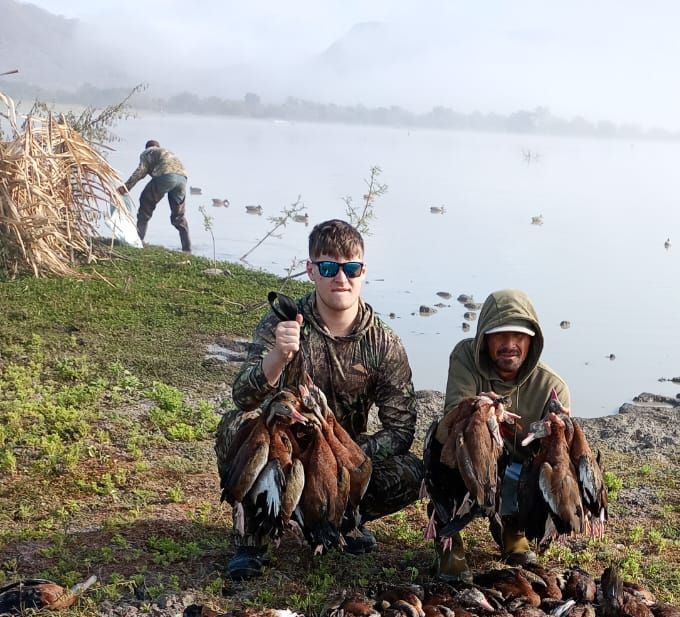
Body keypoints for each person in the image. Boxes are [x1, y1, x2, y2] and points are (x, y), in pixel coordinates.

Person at [216, 218, 422, 580]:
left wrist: (350, 456)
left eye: (350, 268)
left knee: (411, 472)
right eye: (328, 268)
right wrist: (277, 357)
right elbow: (243, 398)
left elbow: (401, 428)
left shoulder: (383, 343)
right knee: (234, 427)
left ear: (363, 271)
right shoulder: (283, 323)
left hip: (342, 454)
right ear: (311, 270)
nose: (340, 278)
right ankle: (254, 535)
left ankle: (341, 519)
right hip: (283, 453)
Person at [434, 288, 571, 580]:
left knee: (558, 463)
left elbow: (559, 456)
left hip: (516, 470)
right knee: (439, 442)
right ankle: (449, 540)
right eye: (499, 335)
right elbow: (450, 420)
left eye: (519, 335)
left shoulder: (553, 387)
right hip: (473, 460)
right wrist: (479, 409)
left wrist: (550, 431)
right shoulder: (465, 357)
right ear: (484, 338)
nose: (509, 344)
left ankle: (514, 528)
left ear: (532, 339)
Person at [118, 139, 191, 252]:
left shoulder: (147, 152)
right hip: (182, 178)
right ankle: (187, 249)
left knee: (145, 204)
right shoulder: (168, 152)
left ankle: (138, 242)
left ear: (147, 147)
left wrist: (126, 187)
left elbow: (140, 171)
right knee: (178, 217)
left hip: (165, 175)